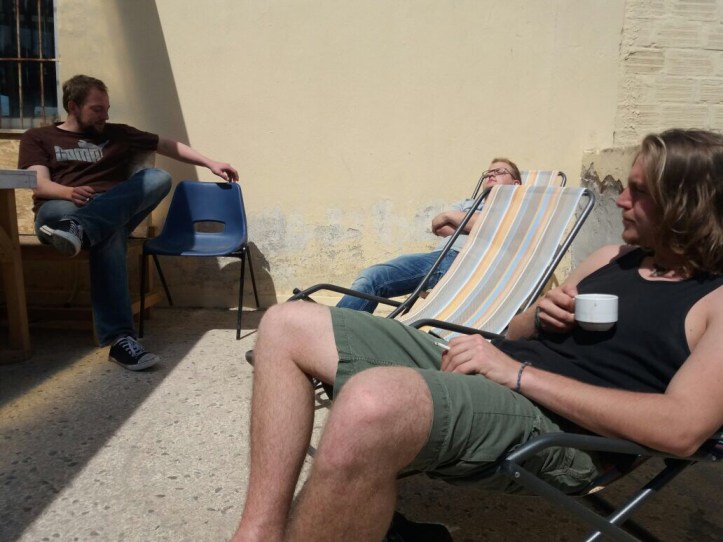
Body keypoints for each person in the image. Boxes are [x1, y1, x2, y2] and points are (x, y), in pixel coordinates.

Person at [232, 128, 723, 542]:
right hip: (494, 371)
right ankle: (258, 533)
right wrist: (540, 316)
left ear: (686, 205)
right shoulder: (612, 259)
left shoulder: (715, 302)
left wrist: (518, 375)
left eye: (639, 192)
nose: (620, 199)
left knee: (371, 401)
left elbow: (679, 431)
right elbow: (515, 331)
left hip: (566, 432)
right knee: (285, 324)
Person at [18, 74, 239, 371]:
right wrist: (68, 192)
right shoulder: (39, 137)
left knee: (158, 178)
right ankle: (121, 340)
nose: (105, 116)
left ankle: (83, 228)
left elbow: (167, 145)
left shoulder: (118, 134)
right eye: (97, 109)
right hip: (59, 211)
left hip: (107, 208)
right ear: (73, 106)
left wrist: (210, 162)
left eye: (107, 108)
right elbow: (39, 183)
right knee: (108, 232)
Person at [336, 158, 521, 312]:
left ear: (515, 183)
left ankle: (331, 329)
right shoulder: (468, 203)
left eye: (499, 171)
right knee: (370, 277)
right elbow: (438, 226)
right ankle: (338, 328)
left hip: (461, 261)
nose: (491, 174)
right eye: (488, 172)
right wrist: (471, 224)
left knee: (374, 278)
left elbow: (495, 226)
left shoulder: (516, 208)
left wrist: (451, 217)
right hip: (438, 259)